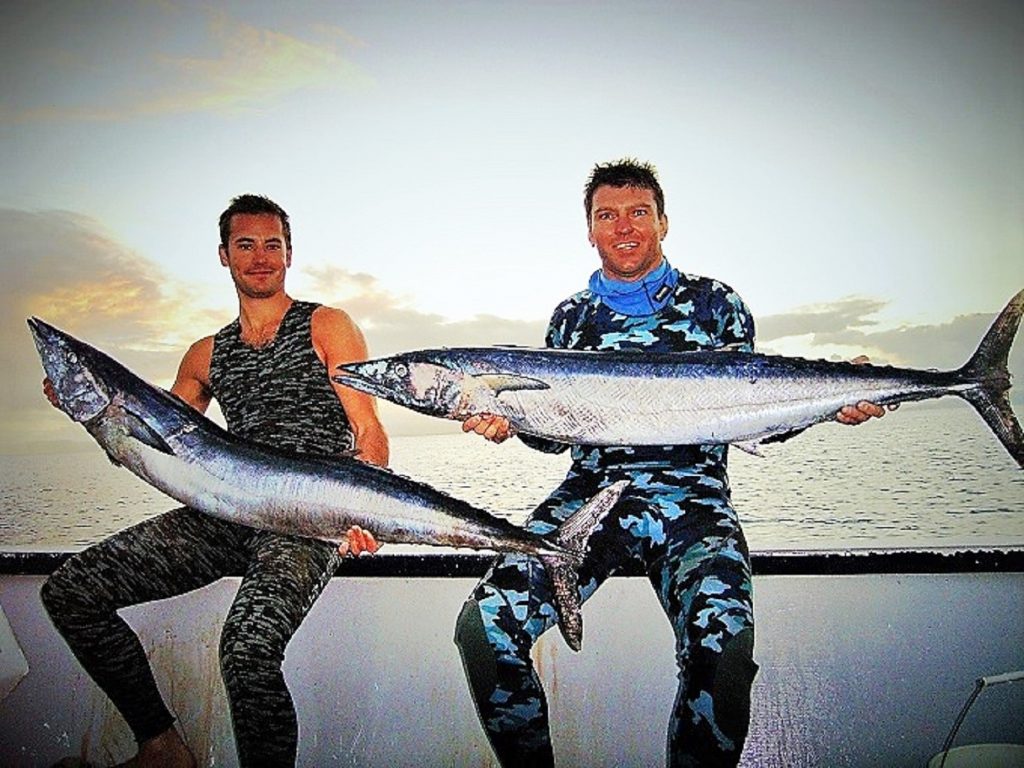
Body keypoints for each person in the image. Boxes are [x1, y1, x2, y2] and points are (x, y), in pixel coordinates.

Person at [453, 159, 883, 767]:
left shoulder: (715, 303)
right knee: (483, 629)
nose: (623, 227)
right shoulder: (571, 319)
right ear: (590, 230)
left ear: (663, 221)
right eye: (608, 215)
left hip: (695, 502)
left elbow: (757, 412)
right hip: (593, 497)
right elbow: (556, 437)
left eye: (638, 213)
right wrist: (512, 425)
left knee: (725, 648)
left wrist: (831, 401)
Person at [40, 194, 389, 768]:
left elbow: (368, 428)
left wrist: (364, 504)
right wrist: (86, 409)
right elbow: (154, 445)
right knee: (71, 592)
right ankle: (161, 745)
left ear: (289, 254)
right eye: (245, 245)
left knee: (247, 650)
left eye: (271, 245)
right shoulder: (206, 354)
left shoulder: (326, 324)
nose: (260, 257)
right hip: (226, 512)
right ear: (224, 255)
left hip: (307, 521)